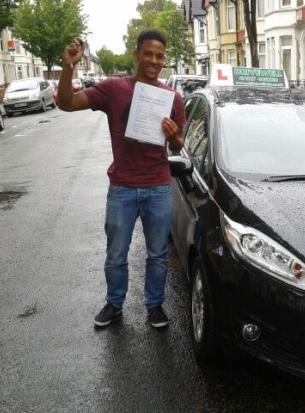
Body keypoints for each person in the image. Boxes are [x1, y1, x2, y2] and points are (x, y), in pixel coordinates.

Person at [57, 29, 186, 328]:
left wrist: (173, 137)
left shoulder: (173, 98)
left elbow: (179, 144)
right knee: (116, 254)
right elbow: (66, 102)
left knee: (157, 255)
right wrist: (68, 67)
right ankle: (114, 304)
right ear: (136, 54)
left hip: (157, 186)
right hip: (122, 187)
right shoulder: (114, 89)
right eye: (148, 54)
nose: (154, 60)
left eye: (159, 56)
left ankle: (155, 306)